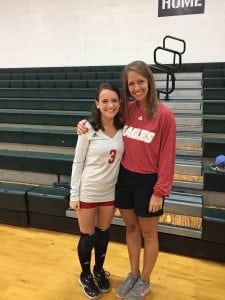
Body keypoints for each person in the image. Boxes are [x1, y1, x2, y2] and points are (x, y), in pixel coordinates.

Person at [77, 60, 176, 300]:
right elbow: (103, 115)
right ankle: (133, 274)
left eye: (140, 82)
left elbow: (168, 155)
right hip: (125, 178)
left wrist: (160, 191)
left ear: (149, 82)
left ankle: (145, 280)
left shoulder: (164, 114)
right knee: (131, 229)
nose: (136, 87)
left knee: (149, 234)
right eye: (131, 83)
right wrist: (83, 124)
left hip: (149, 183)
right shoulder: (127, 110)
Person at [70, 82, 124, 299]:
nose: (110, 105)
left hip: (109, 193)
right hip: (88, 191)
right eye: (105, 101)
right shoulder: (87, 129)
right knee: (88, 236)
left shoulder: (124, 128)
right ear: (97, 104)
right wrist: (75, 194)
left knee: (103, 235)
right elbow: (78, 162)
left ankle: (99, 271)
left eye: (114, 100)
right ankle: (85, 275)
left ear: (120, 103)